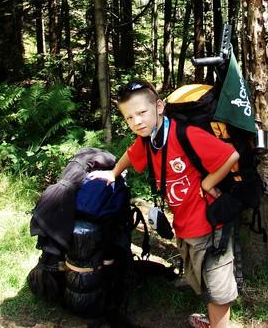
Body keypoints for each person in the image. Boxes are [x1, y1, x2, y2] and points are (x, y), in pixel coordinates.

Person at [88, 79, 240, 328]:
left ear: (159, 107)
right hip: (185, 226)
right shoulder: (148, 140)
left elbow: (230, 155)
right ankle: (212, 321)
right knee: (202, 280)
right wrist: (113, 173)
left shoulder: (185, 134)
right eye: (129, 118)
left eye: (141, 113)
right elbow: (130, 153)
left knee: (218, 290)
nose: (136, 121)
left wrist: (206, 183)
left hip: (209, 225)